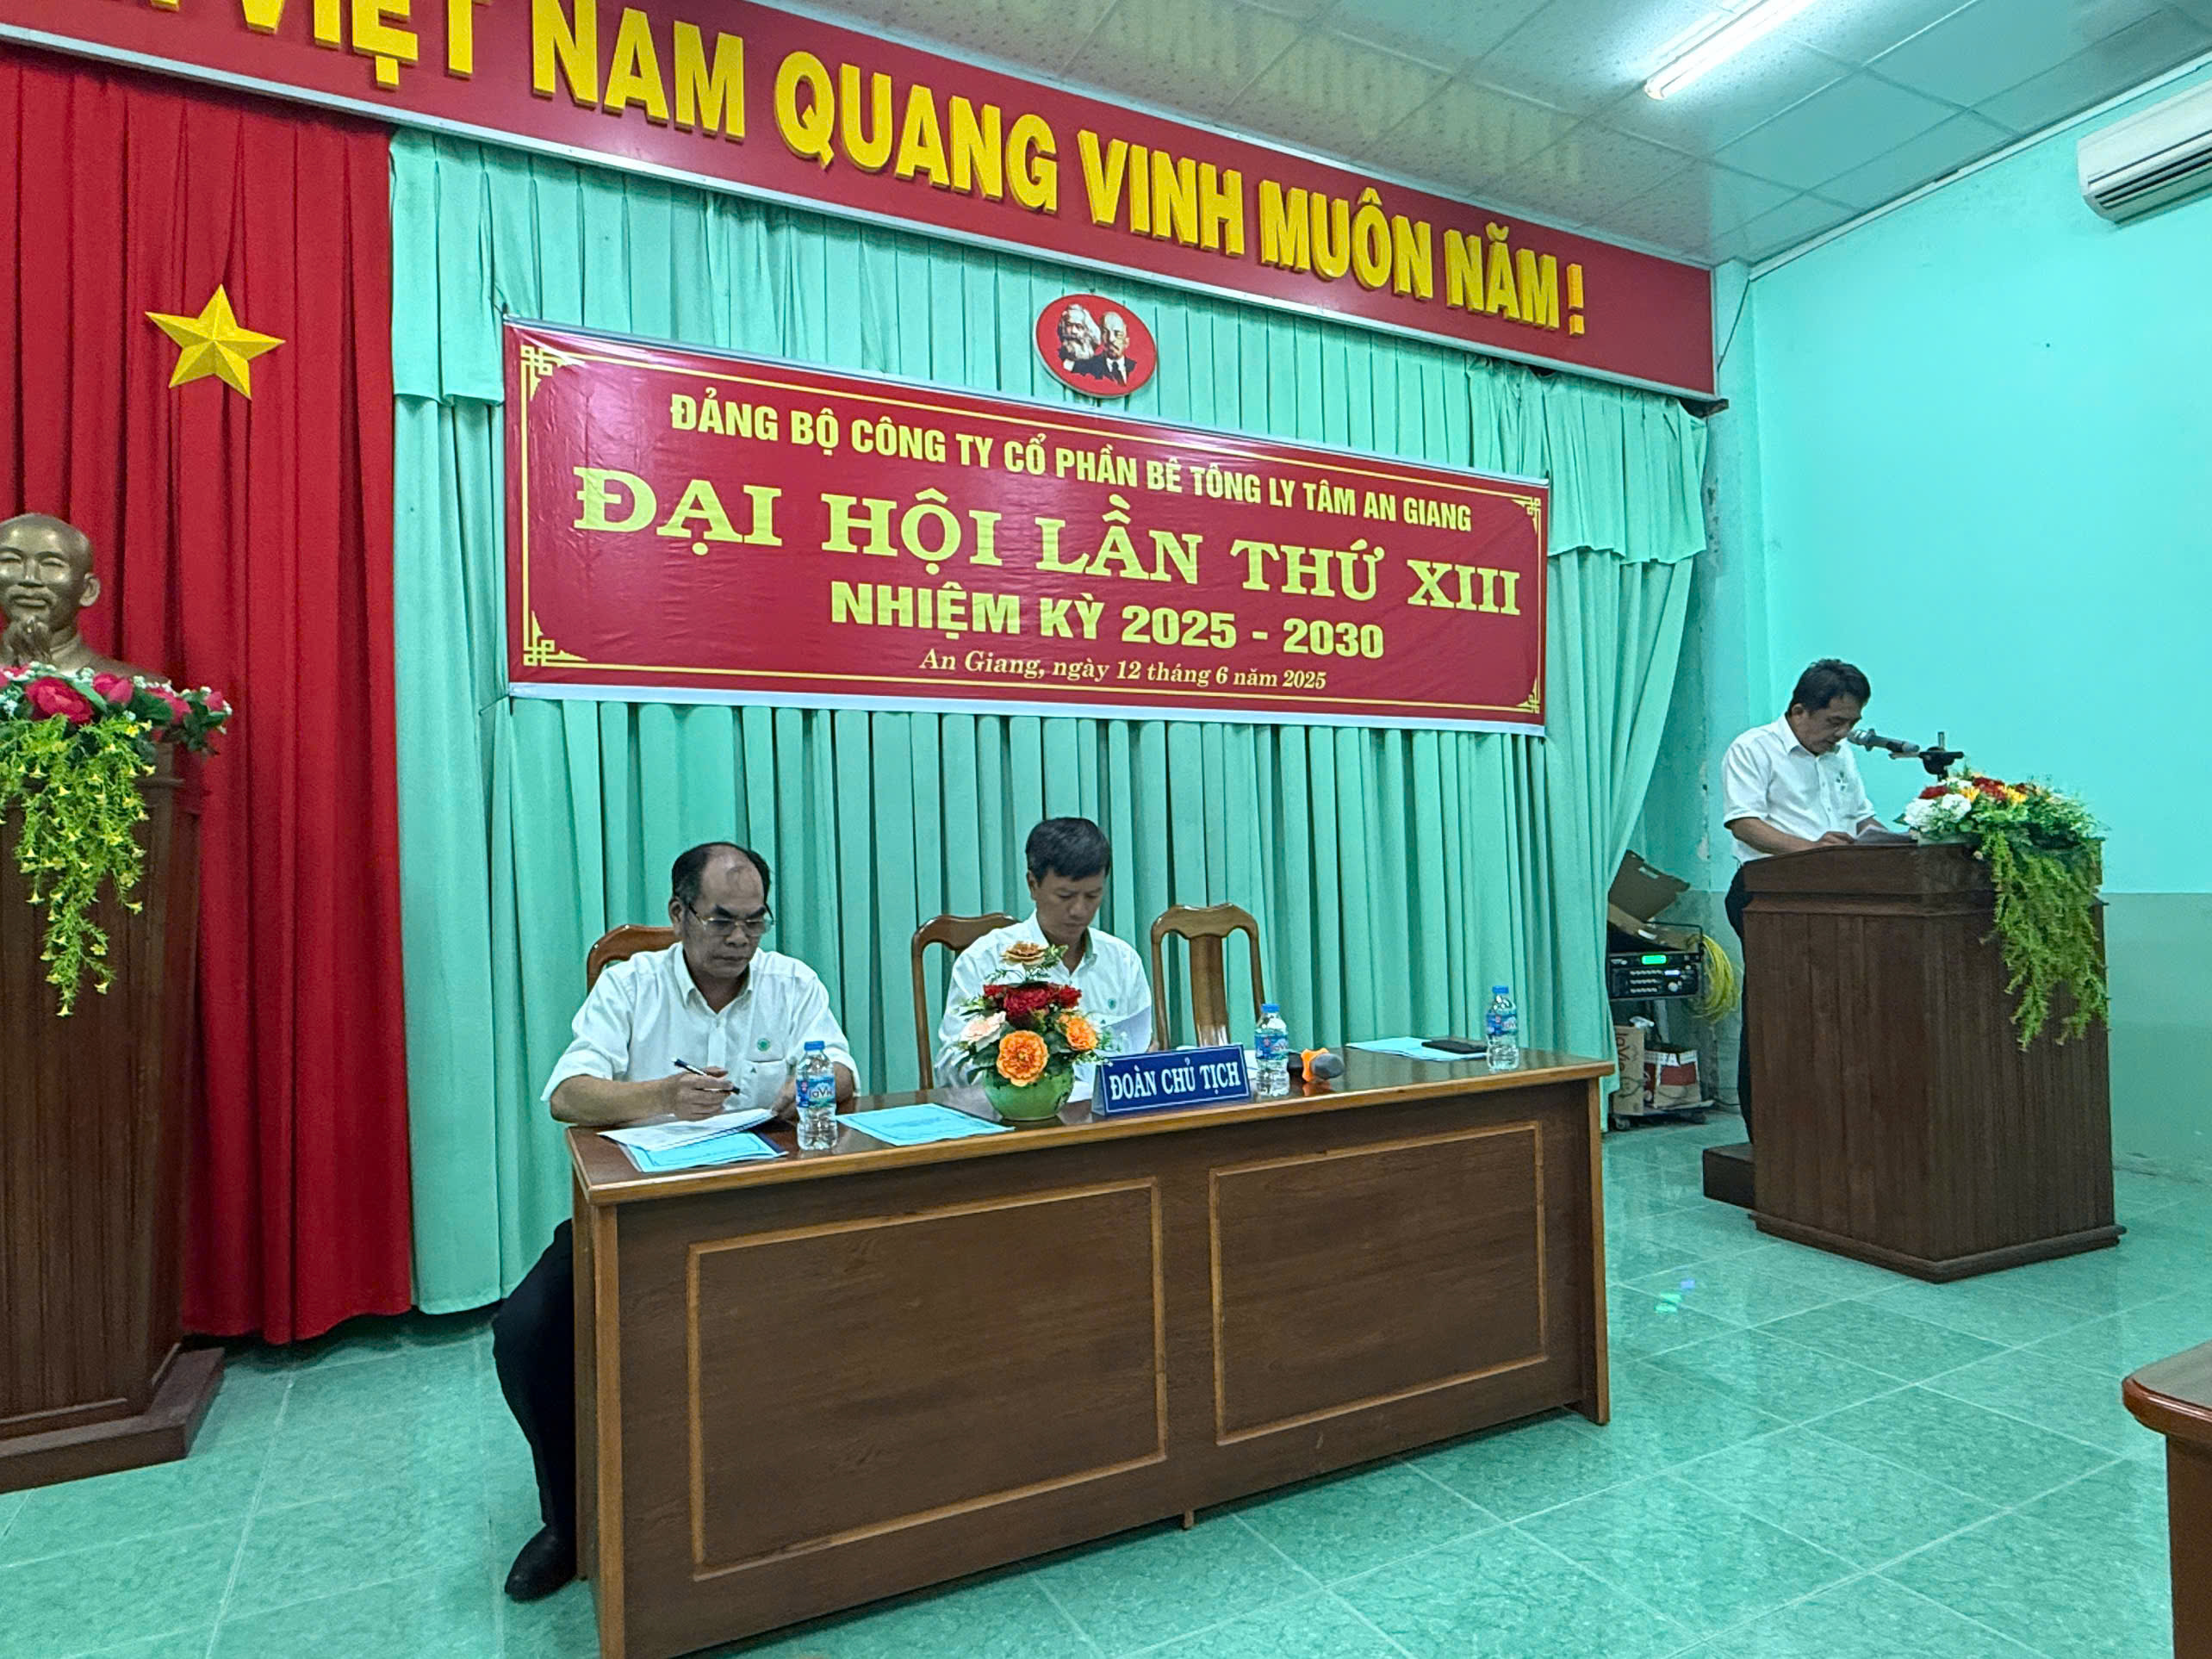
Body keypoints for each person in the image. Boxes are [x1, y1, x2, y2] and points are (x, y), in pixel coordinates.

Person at [491, 842, 858, 1601]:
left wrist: (814, 1080)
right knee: (527, 1330)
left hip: (766, 1212)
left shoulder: (793, 983)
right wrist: (660, 1096)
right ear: (679, 914)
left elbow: (845, 1071)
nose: (739, 939)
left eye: (755, 922)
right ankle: (568, 1521)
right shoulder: (632, 985)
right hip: (643, 1219)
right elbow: (568, 1094)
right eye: (722, 921)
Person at [1720, 659, 1885, 1136]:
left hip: (1834, 897)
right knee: (1775, 1012)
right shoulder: (1754, 748)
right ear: (1799, 710)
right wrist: (1813, 851)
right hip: (1768, 896)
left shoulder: (1840, 757)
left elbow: (1861, 820)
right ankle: (1766, 1133)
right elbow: (1744, 823)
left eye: (1851, 723)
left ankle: (1826, 1128)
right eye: (1835, 722)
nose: (1843, 734)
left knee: (1835, 1012)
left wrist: (1899, 840)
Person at [935, 817, 1153, 1083]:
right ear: (1033, 885)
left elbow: (1144, 1046)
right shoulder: (985, 960)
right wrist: (1019, 1074)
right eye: (1065, 896)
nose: (1079, 911)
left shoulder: (1122, 960)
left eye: (1092, 896)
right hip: (1020, 1106)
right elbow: (951, 1066)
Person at [0, 513, 140, 676]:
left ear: (88, 590)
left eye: (51, 564)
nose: (29, 578)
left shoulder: (141, 688)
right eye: (11, 561)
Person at [1074, 312, 1135, 383]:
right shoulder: (1084, 367)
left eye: (1118, 334)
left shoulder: (1136, 368)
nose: (1111, 339)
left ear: (1126, 342)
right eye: (1105, 332)